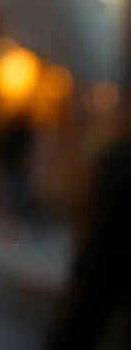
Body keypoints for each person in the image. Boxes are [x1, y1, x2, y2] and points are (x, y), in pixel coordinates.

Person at [46, 135, 131, 350]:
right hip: (104, 262)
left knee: (80, 324)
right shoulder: (117, 160)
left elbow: (91, 218)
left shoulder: (117, 159)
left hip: (104, 263)